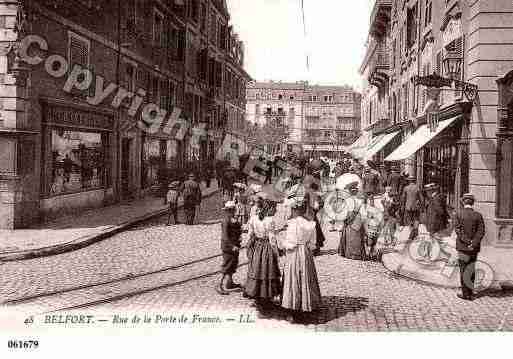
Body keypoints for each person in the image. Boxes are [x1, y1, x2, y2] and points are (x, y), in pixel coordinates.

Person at [279, 196, 322, 323]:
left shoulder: (292, 224)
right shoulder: (309, 223)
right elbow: (312, 243)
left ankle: (292, 309)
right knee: (306, 278)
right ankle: (306, 305)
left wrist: (282, 244)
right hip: (305, 253)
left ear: (294, 209)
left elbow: (289, 242)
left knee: (293, 279)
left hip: (294, 253)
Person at [244, 199, 282, 315]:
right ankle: (266, 299)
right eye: (274, 208)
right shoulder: (270, 220)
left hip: (257, 247)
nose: (275, 211)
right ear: (269, 208)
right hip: (266, 248)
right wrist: (277, 253)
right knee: (267, 271)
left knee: (257, 271)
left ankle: (257, 297)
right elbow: (272, 240)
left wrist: (248, 247)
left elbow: (250, 235)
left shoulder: (253, 218)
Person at [454, 193, 485, 301]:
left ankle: (465, 293)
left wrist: (467, 241)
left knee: (463, 269)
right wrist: (474, 242)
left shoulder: (458, 214)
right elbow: (481, 232)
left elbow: (458, 231)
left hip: (463, 247)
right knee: (471, 268)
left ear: (463, 202)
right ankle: (471, 293)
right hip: (473, 248)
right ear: (473, 203)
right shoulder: (478, 215)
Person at [217, 201, 243, 295]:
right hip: (228, 247)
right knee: (227, 265)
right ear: (229, 210)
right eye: (232, 210)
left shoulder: (232, 219)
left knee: (233, 264)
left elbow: (236, 231)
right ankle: (219, 285)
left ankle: (230, 283)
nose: (234, 211)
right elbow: (225, 237)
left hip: (234, 246)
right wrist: (232, 246)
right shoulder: (225, 221)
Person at [337, 182, 367, 260]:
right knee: (357, 236)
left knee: (349, 236)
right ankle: (356, 254)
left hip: (349, 219)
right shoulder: (360, 201)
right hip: (357, 219)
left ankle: (348, 253)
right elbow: (363, 213)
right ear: (356, 192)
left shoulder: (347, 200)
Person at [402, 176, 422, 241]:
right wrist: (421, 205)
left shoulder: (406, 188)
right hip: (416, 206)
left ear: (409, 181)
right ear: (414, 181)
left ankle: (411, 233)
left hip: (408, 207)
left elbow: (403, 198)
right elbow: (421, 198)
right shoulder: (417, 188)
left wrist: (403, 206)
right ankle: (415, 234)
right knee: (416, 219)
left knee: (410, 220)